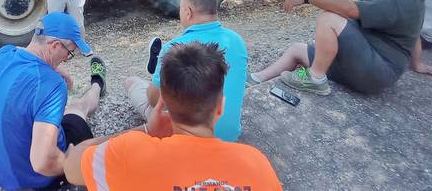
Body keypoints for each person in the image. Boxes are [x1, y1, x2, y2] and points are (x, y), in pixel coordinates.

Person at [63, 42, 282, 191]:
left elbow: (71, 166)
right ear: (220, 107)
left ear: (163, 104)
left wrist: (146, 130)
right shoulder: (257, 164)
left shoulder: (129, 153)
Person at [249, 0, 425, 95]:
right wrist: (417, 64)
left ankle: (315, 78)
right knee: (297, 50)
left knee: (330, 17)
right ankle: (256, 79)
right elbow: (415, 35)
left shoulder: (399, 3)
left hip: (376, 70)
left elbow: (349, 9)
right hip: (365, 67)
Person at [0, 12, 107, 190]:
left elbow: (23, 52)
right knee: (78, 108)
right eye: (70, 53)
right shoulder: (52, 85)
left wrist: (55, 68)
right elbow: (42, 162)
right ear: (55, 45)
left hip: (6, 174)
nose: (66, 59)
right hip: (39, 181)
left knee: (61, 112)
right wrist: (73, 165)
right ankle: (97, 83)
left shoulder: (4, 55)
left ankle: (97, 84)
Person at [124, 0, 248, 142]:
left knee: (131, 82)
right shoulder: (236, 41)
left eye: (181, 9)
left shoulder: (175, 48)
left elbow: (155, 100)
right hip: (229, 136)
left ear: (188, 12)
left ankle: (158, 72)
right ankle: (159, 73)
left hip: (187, 134)